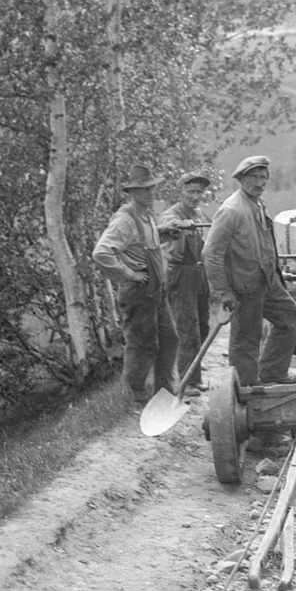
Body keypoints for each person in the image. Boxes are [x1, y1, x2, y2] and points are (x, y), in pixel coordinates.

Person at [202, 155, 296, 387]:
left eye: (263, 177)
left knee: (289, 317)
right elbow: (211, 254)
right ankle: (245, 389)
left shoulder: (258, 204)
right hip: (244, 286)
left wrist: (276, 274)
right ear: (242, 179)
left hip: (267, 282)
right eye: (254, 177)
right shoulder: (231, 210)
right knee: (246, 339)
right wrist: (223, 292)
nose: (259, 182)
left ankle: (273, 372)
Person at [92, 162, 179, 409]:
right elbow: (101, 253)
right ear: (131, 192)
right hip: (138, 290)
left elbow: (142, 242)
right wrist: (128, 274)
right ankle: (135, 394)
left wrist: (164, 232)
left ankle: (164, 393)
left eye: (151, 188)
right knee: (142, 344)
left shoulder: (146, 214)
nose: (150, 193)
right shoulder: (125, 220)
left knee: (169, 338)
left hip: (155, 289)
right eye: (143, 190)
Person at [158, 171, 211, 395]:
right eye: (190, 191)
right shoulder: (171, 214)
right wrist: (179, 225)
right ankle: (186, 382)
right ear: (180, 192)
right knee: (187, 328)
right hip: (179, 274)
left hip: (198, 273)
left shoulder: (198, 213)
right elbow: (166, 227)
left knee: (202, 326)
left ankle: (195, 377)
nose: (195, 196)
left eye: (199, 192)